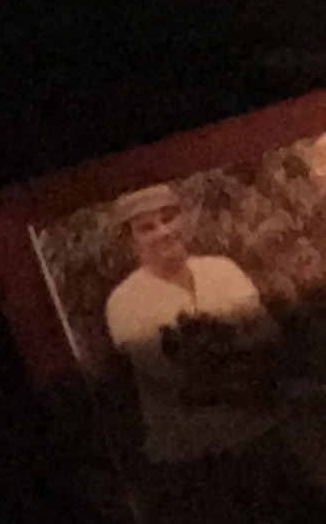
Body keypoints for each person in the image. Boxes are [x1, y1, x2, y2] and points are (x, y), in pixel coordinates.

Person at [97, 185, 279, 464]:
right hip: (191, 449)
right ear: (130, 243)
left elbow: (267, 335)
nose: (164, 232)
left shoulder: (222, 269)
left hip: (262, 426)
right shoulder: (125, 301)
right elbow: (174, 375)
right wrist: (238, 350)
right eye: (147, 228)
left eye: (169, 218)